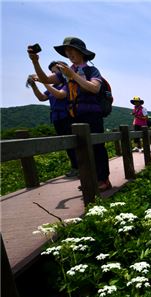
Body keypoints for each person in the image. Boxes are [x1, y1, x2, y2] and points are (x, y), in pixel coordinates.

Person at [28, 37, 111, 191]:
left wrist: (73, 75)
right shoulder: (67, 72)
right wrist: (35, 61)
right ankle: (89, 179)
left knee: (97, 147)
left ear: (81, 52)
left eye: (72, 49)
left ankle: (103, 179)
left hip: (92, 114)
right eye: (67, 51)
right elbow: (46, 78)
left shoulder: (91, 70)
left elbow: (94, 88)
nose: (69, 53)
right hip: (74, 115)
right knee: (81, 150)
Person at [26, 61, 79, 177]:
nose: (52, 74)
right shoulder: (54, 86)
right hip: (56, 118)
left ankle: (80, 167)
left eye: (55, 71)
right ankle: (75, 167)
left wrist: (45, 82)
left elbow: (60, 95)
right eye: (51, 72)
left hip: (68, 117)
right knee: (67, 144)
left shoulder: (68, 84)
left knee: (73, 143)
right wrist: (34, 86)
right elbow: (42, 97)